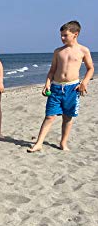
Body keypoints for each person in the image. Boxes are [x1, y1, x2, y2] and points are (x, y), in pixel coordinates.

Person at [27, 21, 94, 152]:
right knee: (49, 116)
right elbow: (52, 70)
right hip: (56, 88)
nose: (62, 38)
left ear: (75, 34)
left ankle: (63, 142)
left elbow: (90, 68)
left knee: (67, 117)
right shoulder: (58, 51)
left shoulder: (83, 50)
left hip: (72, 88)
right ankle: (39, 143)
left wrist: (84, 82)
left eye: (65, 35)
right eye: (61, 35)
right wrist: (47, 84)